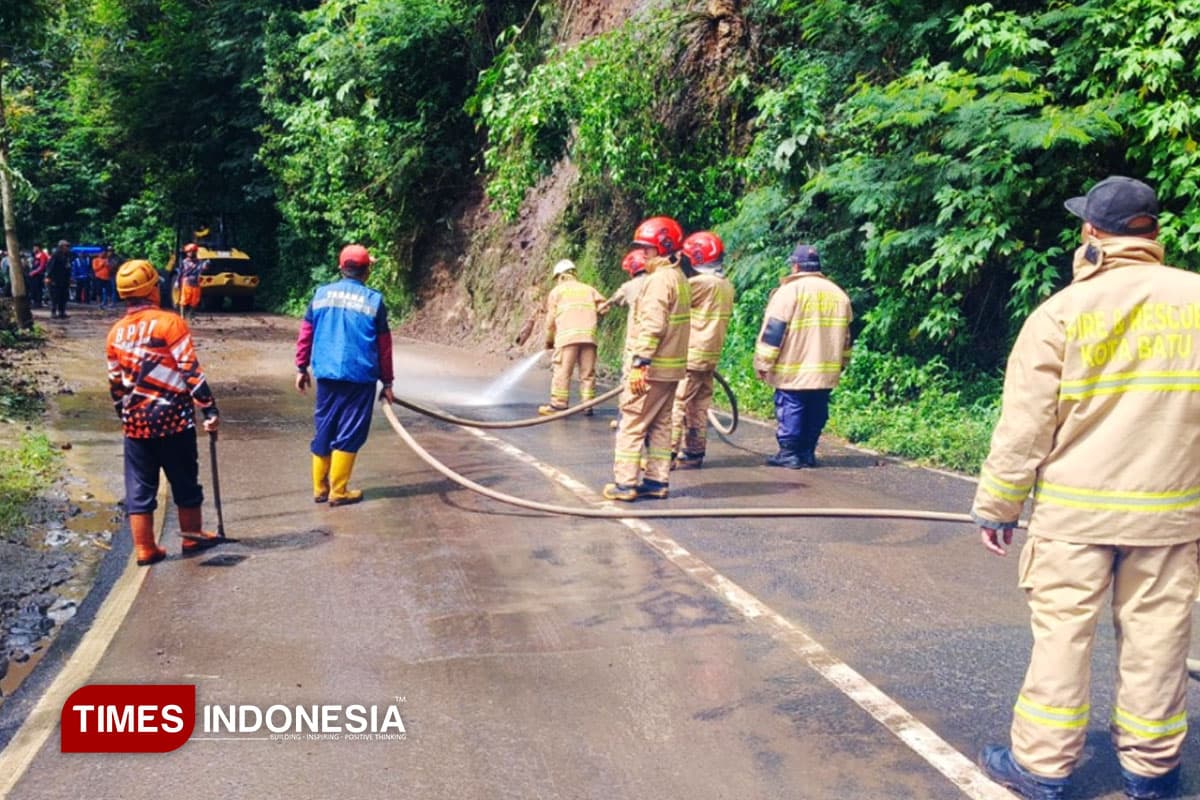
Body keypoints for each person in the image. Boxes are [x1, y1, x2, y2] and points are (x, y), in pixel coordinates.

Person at [973, 176, 1200, 800]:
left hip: (1075, 518)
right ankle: (1152, 772)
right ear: (1153, 231)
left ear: (1092, 234)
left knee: (1063, 639)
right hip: (1172, 516)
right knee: (1159, 638)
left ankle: (1043, 767)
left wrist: (998, 505)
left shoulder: (1062, 313)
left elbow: (1024, 425)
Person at [106, 259, 224, 566]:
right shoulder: (170, 323)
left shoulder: (115, 334)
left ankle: (146, 549)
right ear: (151, 289)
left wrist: (126, 416)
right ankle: (191, 535)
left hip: (136, 422)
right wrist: (209, 408)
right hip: (174, 419)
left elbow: (115, 383)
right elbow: (189, 369)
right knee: (184, 478)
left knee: (140, 485)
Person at [295, 244, 395, 506]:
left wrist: (300, 367)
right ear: (367, 271)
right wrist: (387, 382)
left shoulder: (321, 294)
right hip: (360, 376)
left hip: (326, 374)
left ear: (341, 268)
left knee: (325, 428)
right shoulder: (374, 300)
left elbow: (306, 334)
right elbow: (384, 346)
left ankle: (319, 488)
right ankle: (338, 492)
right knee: (350, 431)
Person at [603, 216, 689, 502]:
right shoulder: (680, 278)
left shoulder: (658, 281)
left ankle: (625, 484)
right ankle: (656, 480)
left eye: (648, 248)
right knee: (661, 424)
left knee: (632, 422)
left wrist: (640, 363)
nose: (643, 253)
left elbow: (653, 325)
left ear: (662, 247)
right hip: (672, 370)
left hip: (651, 370)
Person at [753, 244, 852, 468]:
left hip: (794, 367)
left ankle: (789, 453)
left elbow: (773, 333)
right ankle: (807, 452)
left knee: (792, 406)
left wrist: (763, 362)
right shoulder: (838, 294)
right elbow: (847, 335)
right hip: (825, 368)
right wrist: (843, 362)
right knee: (817, 407)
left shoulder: (788, 292)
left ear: (795, 266)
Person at [670, 231, 734, 469]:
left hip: (691, 354)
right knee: (698, 404)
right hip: (710, 355)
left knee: (676, 403)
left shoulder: (699, 284)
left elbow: (670, 301)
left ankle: (666, 455)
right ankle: (694, 453)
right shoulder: (725, 284)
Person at [538, 259, 607, 416]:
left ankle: (558, 405)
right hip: (588, 338)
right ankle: (588, 405)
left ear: (560, 277)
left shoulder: (557, 292)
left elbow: (550, 322)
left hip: (567, 339)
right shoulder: (588, 289)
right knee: (587, 373)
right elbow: (605, 307)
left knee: (562, 371)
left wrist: (549, 341)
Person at [600, 249, 651, 430]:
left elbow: (615, 299)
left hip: (637, 344)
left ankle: (626, 420)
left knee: (631, 383)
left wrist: (603, 306)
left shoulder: (630, 286)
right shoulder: (660, 282)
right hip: (659, 345)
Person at [176, 243, 205, 321]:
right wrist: (177, 282)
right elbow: (180, 272)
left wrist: (205, 266)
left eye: (192, 251)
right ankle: (182, 316)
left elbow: (202, 269)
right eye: (189, 252)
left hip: (196, 282)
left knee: (194, 301)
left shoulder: (199, 262)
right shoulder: (184, 262)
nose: (191, 253)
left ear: (195, 252)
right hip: (187, 282)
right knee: (184, 300)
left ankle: (191, 316)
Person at [45, 240, 72, 319]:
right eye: (66, 246)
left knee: (63, 296)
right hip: (55, 279)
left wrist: (69, 278)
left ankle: (62, 312)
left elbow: (68, 267)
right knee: (54, 297)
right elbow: (50, 267)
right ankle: (53, 312)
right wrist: (48, 277)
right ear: (61, 246)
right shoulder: (55, 255)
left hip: (64, 279)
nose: (67, 248)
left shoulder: (67, 255)